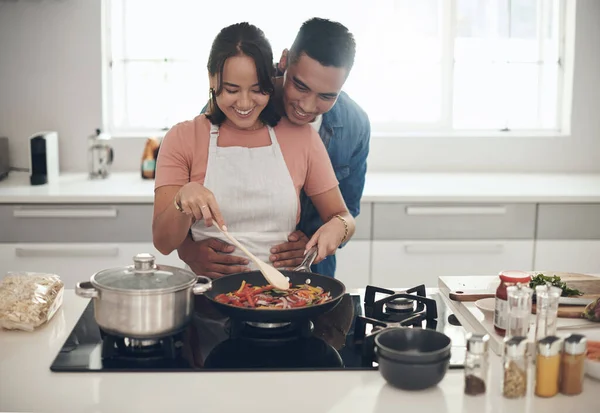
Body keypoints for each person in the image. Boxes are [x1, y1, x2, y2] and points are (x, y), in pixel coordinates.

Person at [152, 22, 356, 273]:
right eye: (231, 89)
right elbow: (163, 243)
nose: (245, 103)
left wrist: (337, 228)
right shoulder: (183, 137)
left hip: (288, 299)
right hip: (209, 299)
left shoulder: (303, 138)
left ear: (270, 81)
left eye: (258, 89)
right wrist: (181, 202)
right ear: (212, 78)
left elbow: (343, 216)